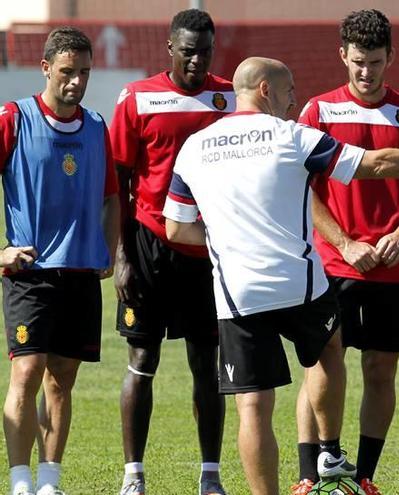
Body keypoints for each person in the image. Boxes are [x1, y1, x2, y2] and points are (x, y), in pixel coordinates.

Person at [162, 56, 399, 495]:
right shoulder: (290, 135)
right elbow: (377, 164)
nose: (295, 97)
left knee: (253, 407)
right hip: (300, 282)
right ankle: (330, 451)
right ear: (264, 90)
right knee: (329, 351)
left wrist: (229, 241)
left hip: (238, 291)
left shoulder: (195, 147)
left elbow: (176, 226)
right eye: (289, 89)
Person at [292, 9, 399, 495]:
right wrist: (344, 241)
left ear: (390, 57)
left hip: (393, 266)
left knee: (382, 369)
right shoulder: (318, 112)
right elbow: (302, 190)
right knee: (321, 363)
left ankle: (364, 477)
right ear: (342, 55)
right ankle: (310, 475)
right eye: (357, 61)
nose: (365, 71)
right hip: (333, 263)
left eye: (374, 62)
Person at [108, 9, 234, 495]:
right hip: (149, 245)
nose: (197, 61)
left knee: (208, 363)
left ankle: (210, 476)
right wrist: (122, 255)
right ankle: (133, 475)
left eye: (205, 51)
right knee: (143, 358)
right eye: (188, 51)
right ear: (169, 47)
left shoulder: (227, 100)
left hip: (206, 250)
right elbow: (119, 180)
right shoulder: (138, 98)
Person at [0, 27, 120, 495]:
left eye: (85, 73)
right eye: (68, 72)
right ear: (46, 68)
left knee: (61, 379)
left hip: (81, 273)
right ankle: (20, 480)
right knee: (26, 372)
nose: (76, 82)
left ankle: (50, 480)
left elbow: (112, 196)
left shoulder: (95, 126)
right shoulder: (14, 118)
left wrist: (107, 247)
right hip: (28, 272)